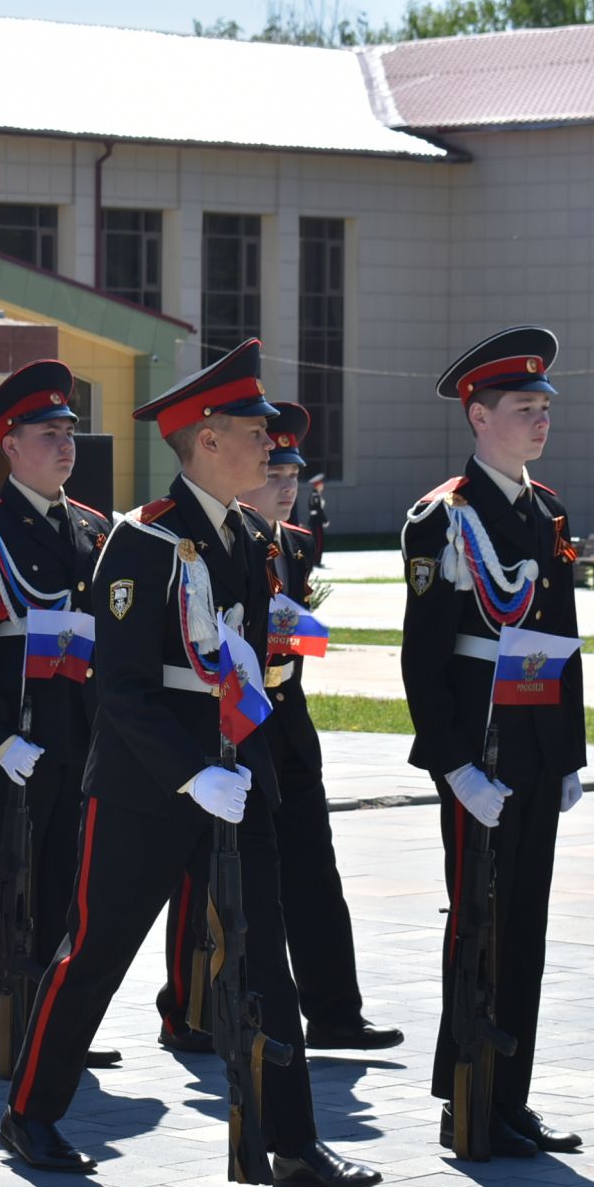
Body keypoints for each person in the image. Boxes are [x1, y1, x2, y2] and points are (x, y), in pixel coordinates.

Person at [0, 339, 379, 1187]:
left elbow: (238, 666)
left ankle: (294, 1141)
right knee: (96, 950)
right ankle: (30, 1111)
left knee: (264, 959)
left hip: (234, 781)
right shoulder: (141, 543)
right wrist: (189, 771)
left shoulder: (246, 536)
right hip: (146, 788)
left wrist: (244, 763)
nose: (269, 448)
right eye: (254, 431)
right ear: (206, 439)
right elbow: (122, 689)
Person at [401, 326, 587, 1159]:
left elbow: (562, 633)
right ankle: (467, 1094)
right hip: (479, 748)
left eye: (544, 406)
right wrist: (451, 764)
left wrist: (572, 751)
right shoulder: (444, 518)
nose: (539, 419)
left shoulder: (547, 511)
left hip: (538, 743)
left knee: (529, 922)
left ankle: (511, 1096)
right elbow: (424, 658)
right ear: (479, 417)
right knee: (477, 916)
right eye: (523, 407)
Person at [0, 363, 123, 1061]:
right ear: (9, 444)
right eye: (48, 433)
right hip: (11, 739)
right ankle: (4, 1029)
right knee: (4, 882)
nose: (66, 445)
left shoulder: (93, 529)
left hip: (80, 736)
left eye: (69, 432)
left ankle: (57, 1022)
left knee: (70, 883)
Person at [222, 403, 401, 1052]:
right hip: (234, 726)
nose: (287, 485)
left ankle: (335, 1011)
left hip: (288, 721)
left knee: (315, 871)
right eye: (274, 471)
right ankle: (202, 1005)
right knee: (235, 876)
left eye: (293, 473)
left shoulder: (295, 543)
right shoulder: (219, 540)